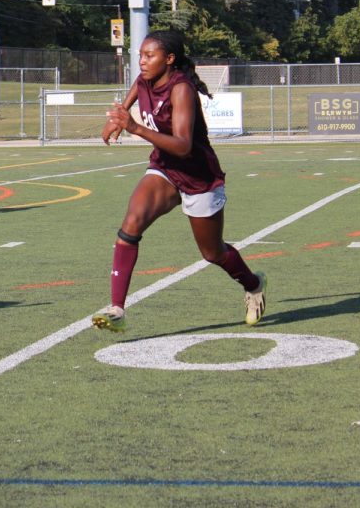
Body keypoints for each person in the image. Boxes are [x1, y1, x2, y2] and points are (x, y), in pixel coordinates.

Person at [96, 30, 265, 332]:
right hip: (164, 169)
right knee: (129, 228)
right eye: (140, 56)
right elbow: (137, 85)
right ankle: (117, 309)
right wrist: (119, 113)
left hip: (198, 176)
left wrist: (134, 126)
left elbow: (184, 146)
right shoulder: (145, 79)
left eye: (149, 56)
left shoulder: (181, 89)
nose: (142, 62)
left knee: (212, 253)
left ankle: (253, 285)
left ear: (170, 59)